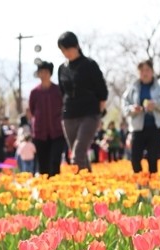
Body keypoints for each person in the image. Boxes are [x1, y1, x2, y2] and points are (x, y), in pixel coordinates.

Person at [57, 32, 108, 173]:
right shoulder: (62, 69)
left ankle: (80, 187)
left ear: (76, 46)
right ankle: (89, 186)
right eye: (63, 50)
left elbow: (102, 90)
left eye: (68, 48)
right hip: (69, 115)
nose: (66, 53)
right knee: (79, 154)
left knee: (77, 154)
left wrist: (99, 112)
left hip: (89, 114)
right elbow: (62, 92)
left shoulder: (89, 65)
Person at [122, 59, 160, 175]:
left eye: (147, 70)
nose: (144, 73)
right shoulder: (133, 88)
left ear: (152, 71)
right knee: (135, 159)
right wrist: (132, 109)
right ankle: (140, 184)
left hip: (155, 127)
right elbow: (124, 106)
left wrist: (156, 104)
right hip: (137, 128)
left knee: (153, 158)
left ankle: (153, 185)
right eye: (141, 71)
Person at [27, 60, 66, 176]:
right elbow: (32, 110)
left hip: (57, 133)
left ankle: (56, 189)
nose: (43, 75)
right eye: (41, 72)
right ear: (38, 74)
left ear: (50, 73)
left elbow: (64, 107)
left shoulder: (58, 90)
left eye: (46, 72)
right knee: (43, 164)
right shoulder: (35, 92)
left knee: (55, 162)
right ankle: (45, 190)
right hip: (40, 134)